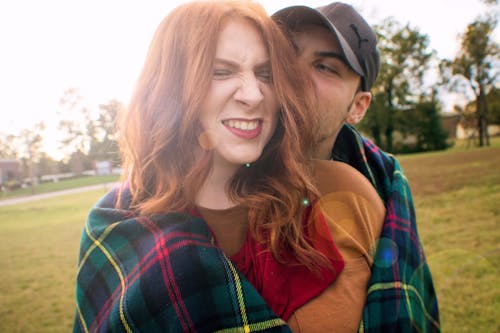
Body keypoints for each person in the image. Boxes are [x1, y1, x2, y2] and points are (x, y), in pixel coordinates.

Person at [73, 1, 386, 332]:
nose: (253, 95)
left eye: (265, 74)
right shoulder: (118, 222)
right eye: (221, 71)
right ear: (170, 84)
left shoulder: (334, 194)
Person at [273, 3, 440, 332]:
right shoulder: (198, 182)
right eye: (285, 56)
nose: (293, 75)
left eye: (324, 67)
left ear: (358, 106)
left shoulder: (374, 197)